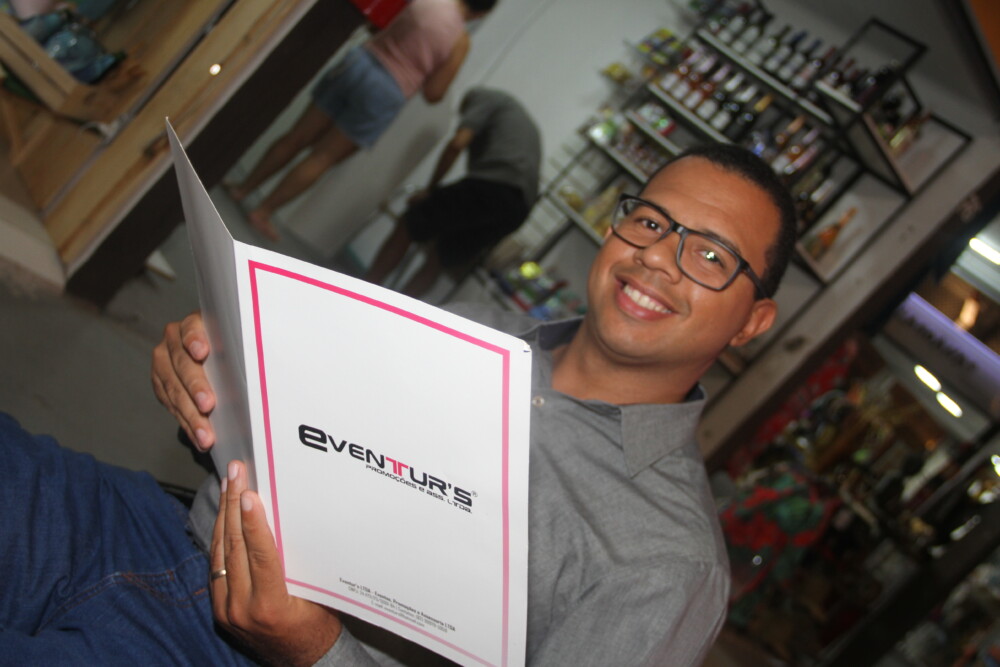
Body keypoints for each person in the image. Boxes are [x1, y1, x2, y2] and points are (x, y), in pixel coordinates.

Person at [1, 143, 797, 665]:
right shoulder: (471, 331)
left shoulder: (669, 562)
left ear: (753, 321)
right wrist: (212, 381)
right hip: (159, 531)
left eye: (711, 255)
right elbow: (304, 444)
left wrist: (317, 649)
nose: (657, 257)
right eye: (651, 220)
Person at [225, 0, 496, 241]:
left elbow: (378, 22)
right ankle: (263, 211)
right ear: (482, 13)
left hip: (361, 61)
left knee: (298, 136)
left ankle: (243, 188)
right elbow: (434, 92)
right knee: (323, 157)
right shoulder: (460, 42)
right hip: (387, 90)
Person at [364, 87, 541, 297]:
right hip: (519, 210)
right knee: (440, 257)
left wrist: (430, 189)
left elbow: (457, 144)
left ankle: (364, 291)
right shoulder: (518, 117)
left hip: (495, 187)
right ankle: (397, 310)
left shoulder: (483, 99)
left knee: (410, 222)